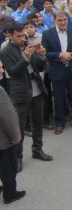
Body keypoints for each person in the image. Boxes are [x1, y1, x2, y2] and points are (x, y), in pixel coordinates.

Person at [0, 23, 53, 172]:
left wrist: (42, 55)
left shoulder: (29, 44)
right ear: (9, 35)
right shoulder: (5, 51)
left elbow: (41, 67)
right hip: (21, 91)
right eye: (19, 36)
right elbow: (13, 72)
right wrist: (25, 58)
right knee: (20, 127)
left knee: (38, 122)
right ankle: (18, 156)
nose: (23, 38)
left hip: (37, 88)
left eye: (24, 35)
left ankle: (38, 149)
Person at [41, 11, 72, 135]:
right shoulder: (47, 34)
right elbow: (45, 53)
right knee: (59, 98)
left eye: (64, 20)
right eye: (59, 20)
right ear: (55, 21)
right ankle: (60, 123)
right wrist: (60, 55)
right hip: (57, 71)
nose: (62, 23)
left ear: (67, 20)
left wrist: (70, 55)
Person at [0, 61, 25, 204]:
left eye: (3, 67)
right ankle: (10, 194)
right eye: (0, 68)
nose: (3, 71)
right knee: (8, 167)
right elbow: (7, 117)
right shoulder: (0, 91)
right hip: (3, 140)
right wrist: (16, 137)